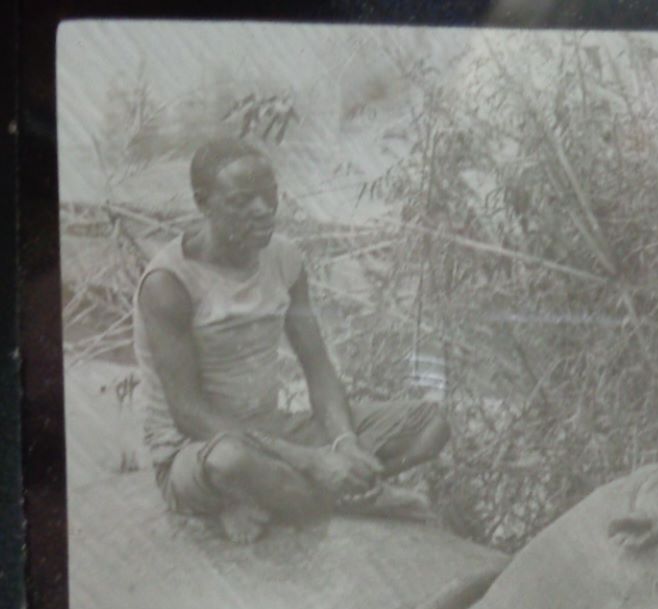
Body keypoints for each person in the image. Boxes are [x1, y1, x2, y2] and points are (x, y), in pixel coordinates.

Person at [133, 136, 450, 543]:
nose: (263, 210)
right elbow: (190, 414)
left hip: (270, 430)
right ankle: (342, 494)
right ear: (203, 202)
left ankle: (314, 492)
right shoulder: (169, 284)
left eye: (269, 195)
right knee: (232, 461)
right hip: (197, 447)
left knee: (430, 424)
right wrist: (313, 461)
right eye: (242, 200)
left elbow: (317, 367)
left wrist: (345, 443)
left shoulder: (285, 259)